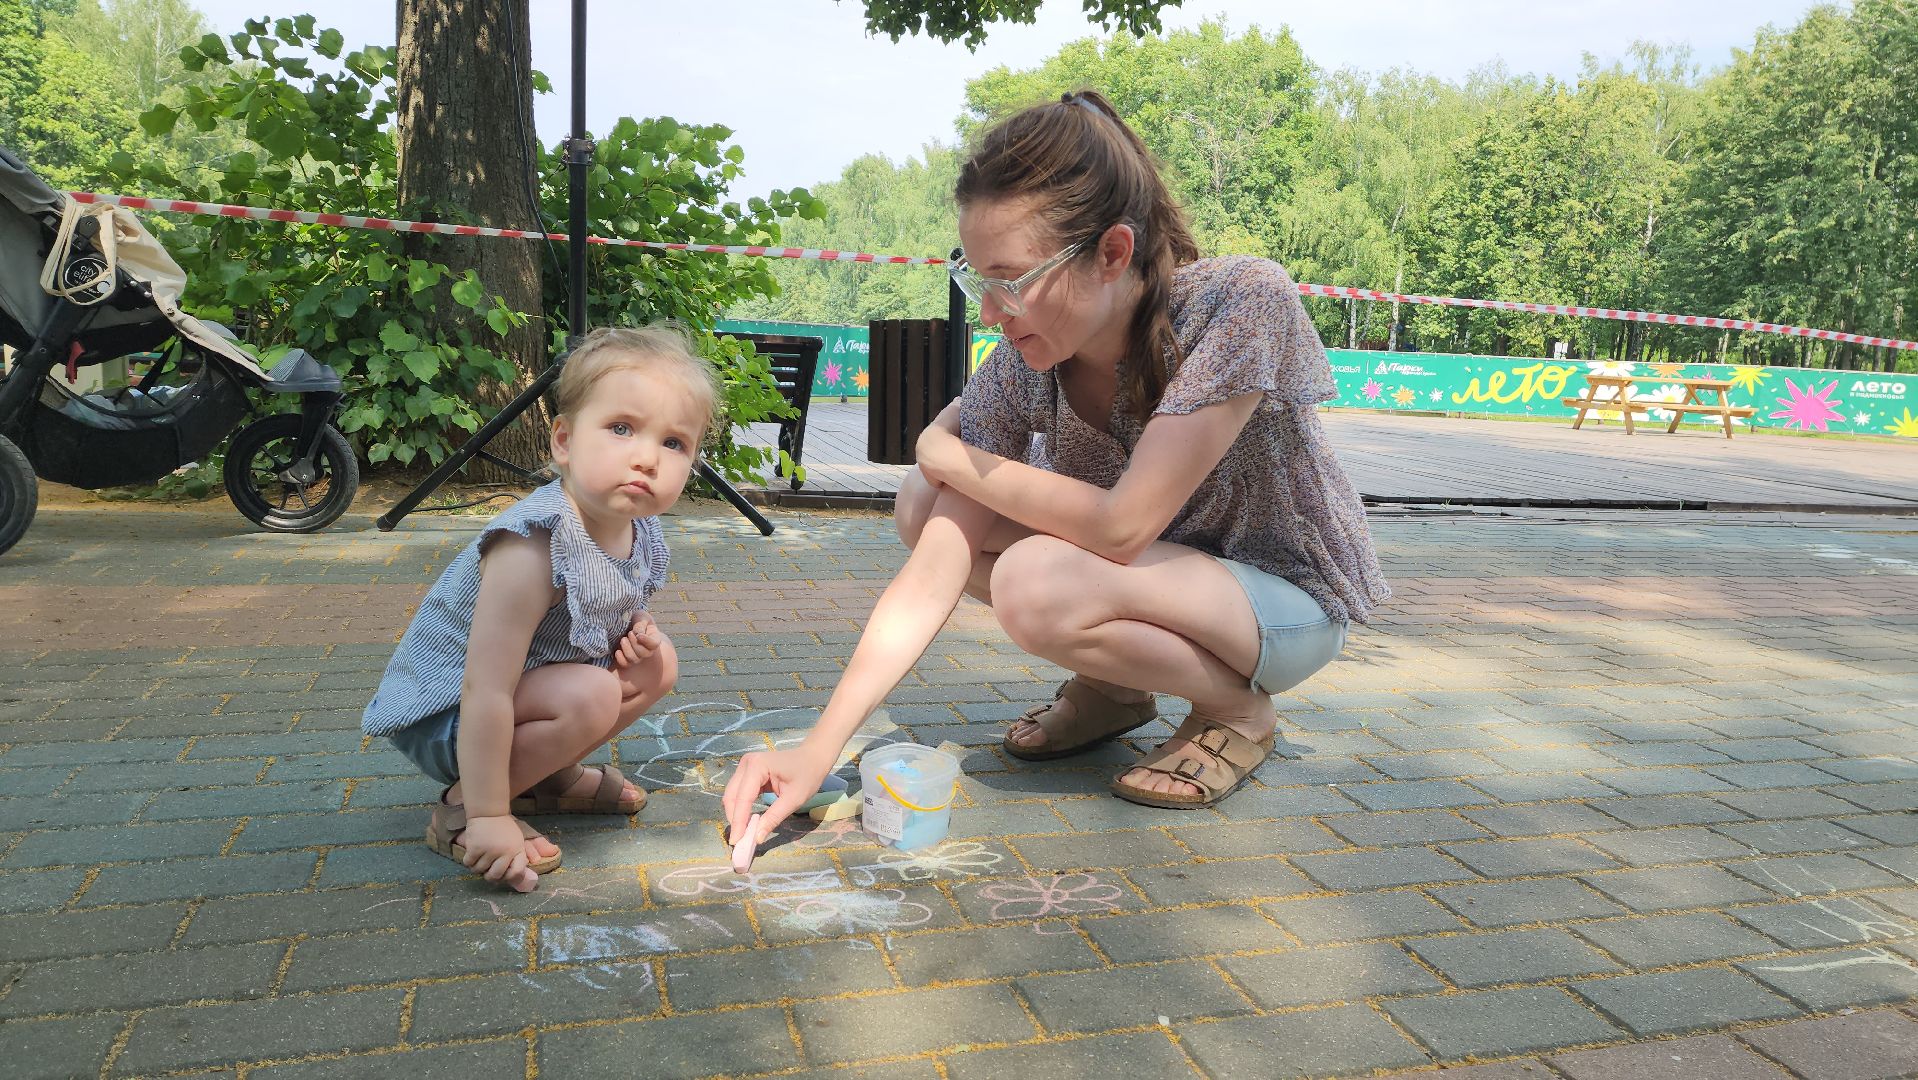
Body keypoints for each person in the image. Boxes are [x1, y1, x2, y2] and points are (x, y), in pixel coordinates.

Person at [722, 89, 1390, 859]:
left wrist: (945, 450)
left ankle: (1238, 713)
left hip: (1280, 603)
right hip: (1151, 583)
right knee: (921, 505)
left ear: (1111, 252)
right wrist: (819, 747)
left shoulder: (1239, 302)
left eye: (1010, 279)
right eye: (977, 281)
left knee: (1035, 578)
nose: (991, 311)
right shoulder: (1024, 365)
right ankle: (1114, 689)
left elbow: (1122, 526)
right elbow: (934, 564)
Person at [364, 325, 714, 891]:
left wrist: (636, 636)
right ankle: (464, 807)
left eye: (674, 443)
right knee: (593, 694)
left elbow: (595, 618)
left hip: (524, 697)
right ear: (564, 441)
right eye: (621, 428)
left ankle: (545, 778)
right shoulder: (532, 545)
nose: (648, 457)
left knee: (659, 664)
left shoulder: (638, 530)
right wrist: (489, 817)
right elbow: (486, 688)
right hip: (446, 713)